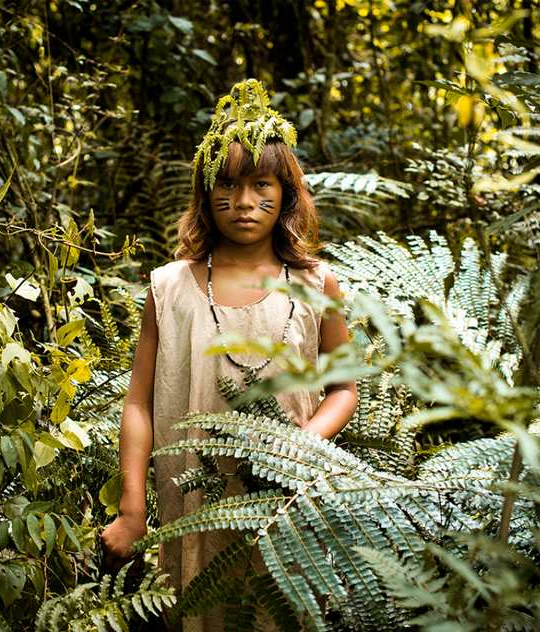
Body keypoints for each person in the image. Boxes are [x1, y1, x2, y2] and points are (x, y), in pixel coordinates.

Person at [99, 78, 357, 630]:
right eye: (227, 186)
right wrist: (132, 506)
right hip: (186, 502)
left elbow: (345, 387)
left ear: (286, 192)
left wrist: (300, 448)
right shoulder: (170, 287)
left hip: (281, 500)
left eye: (261, 184)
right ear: (204, 194)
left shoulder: (316, 283)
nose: (243, 203)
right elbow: (139, 402)